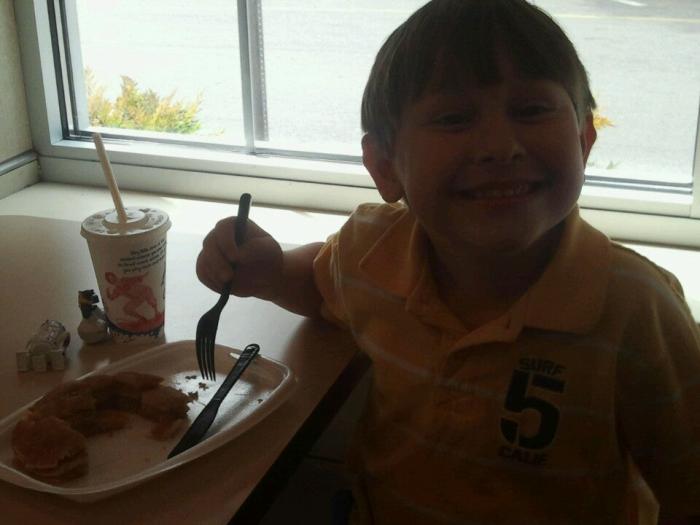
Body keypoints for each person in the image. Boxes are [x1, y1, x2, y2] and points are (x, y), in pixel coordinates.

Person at [196, 1, 700, 523]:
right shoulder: (374, 248)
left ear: (583, 140)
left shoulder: (637, 308)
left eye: (531, 110)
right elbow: (320, 281)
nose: (501, 146)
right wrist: (270, 272)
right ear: (385, 167)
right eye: (454, 118)